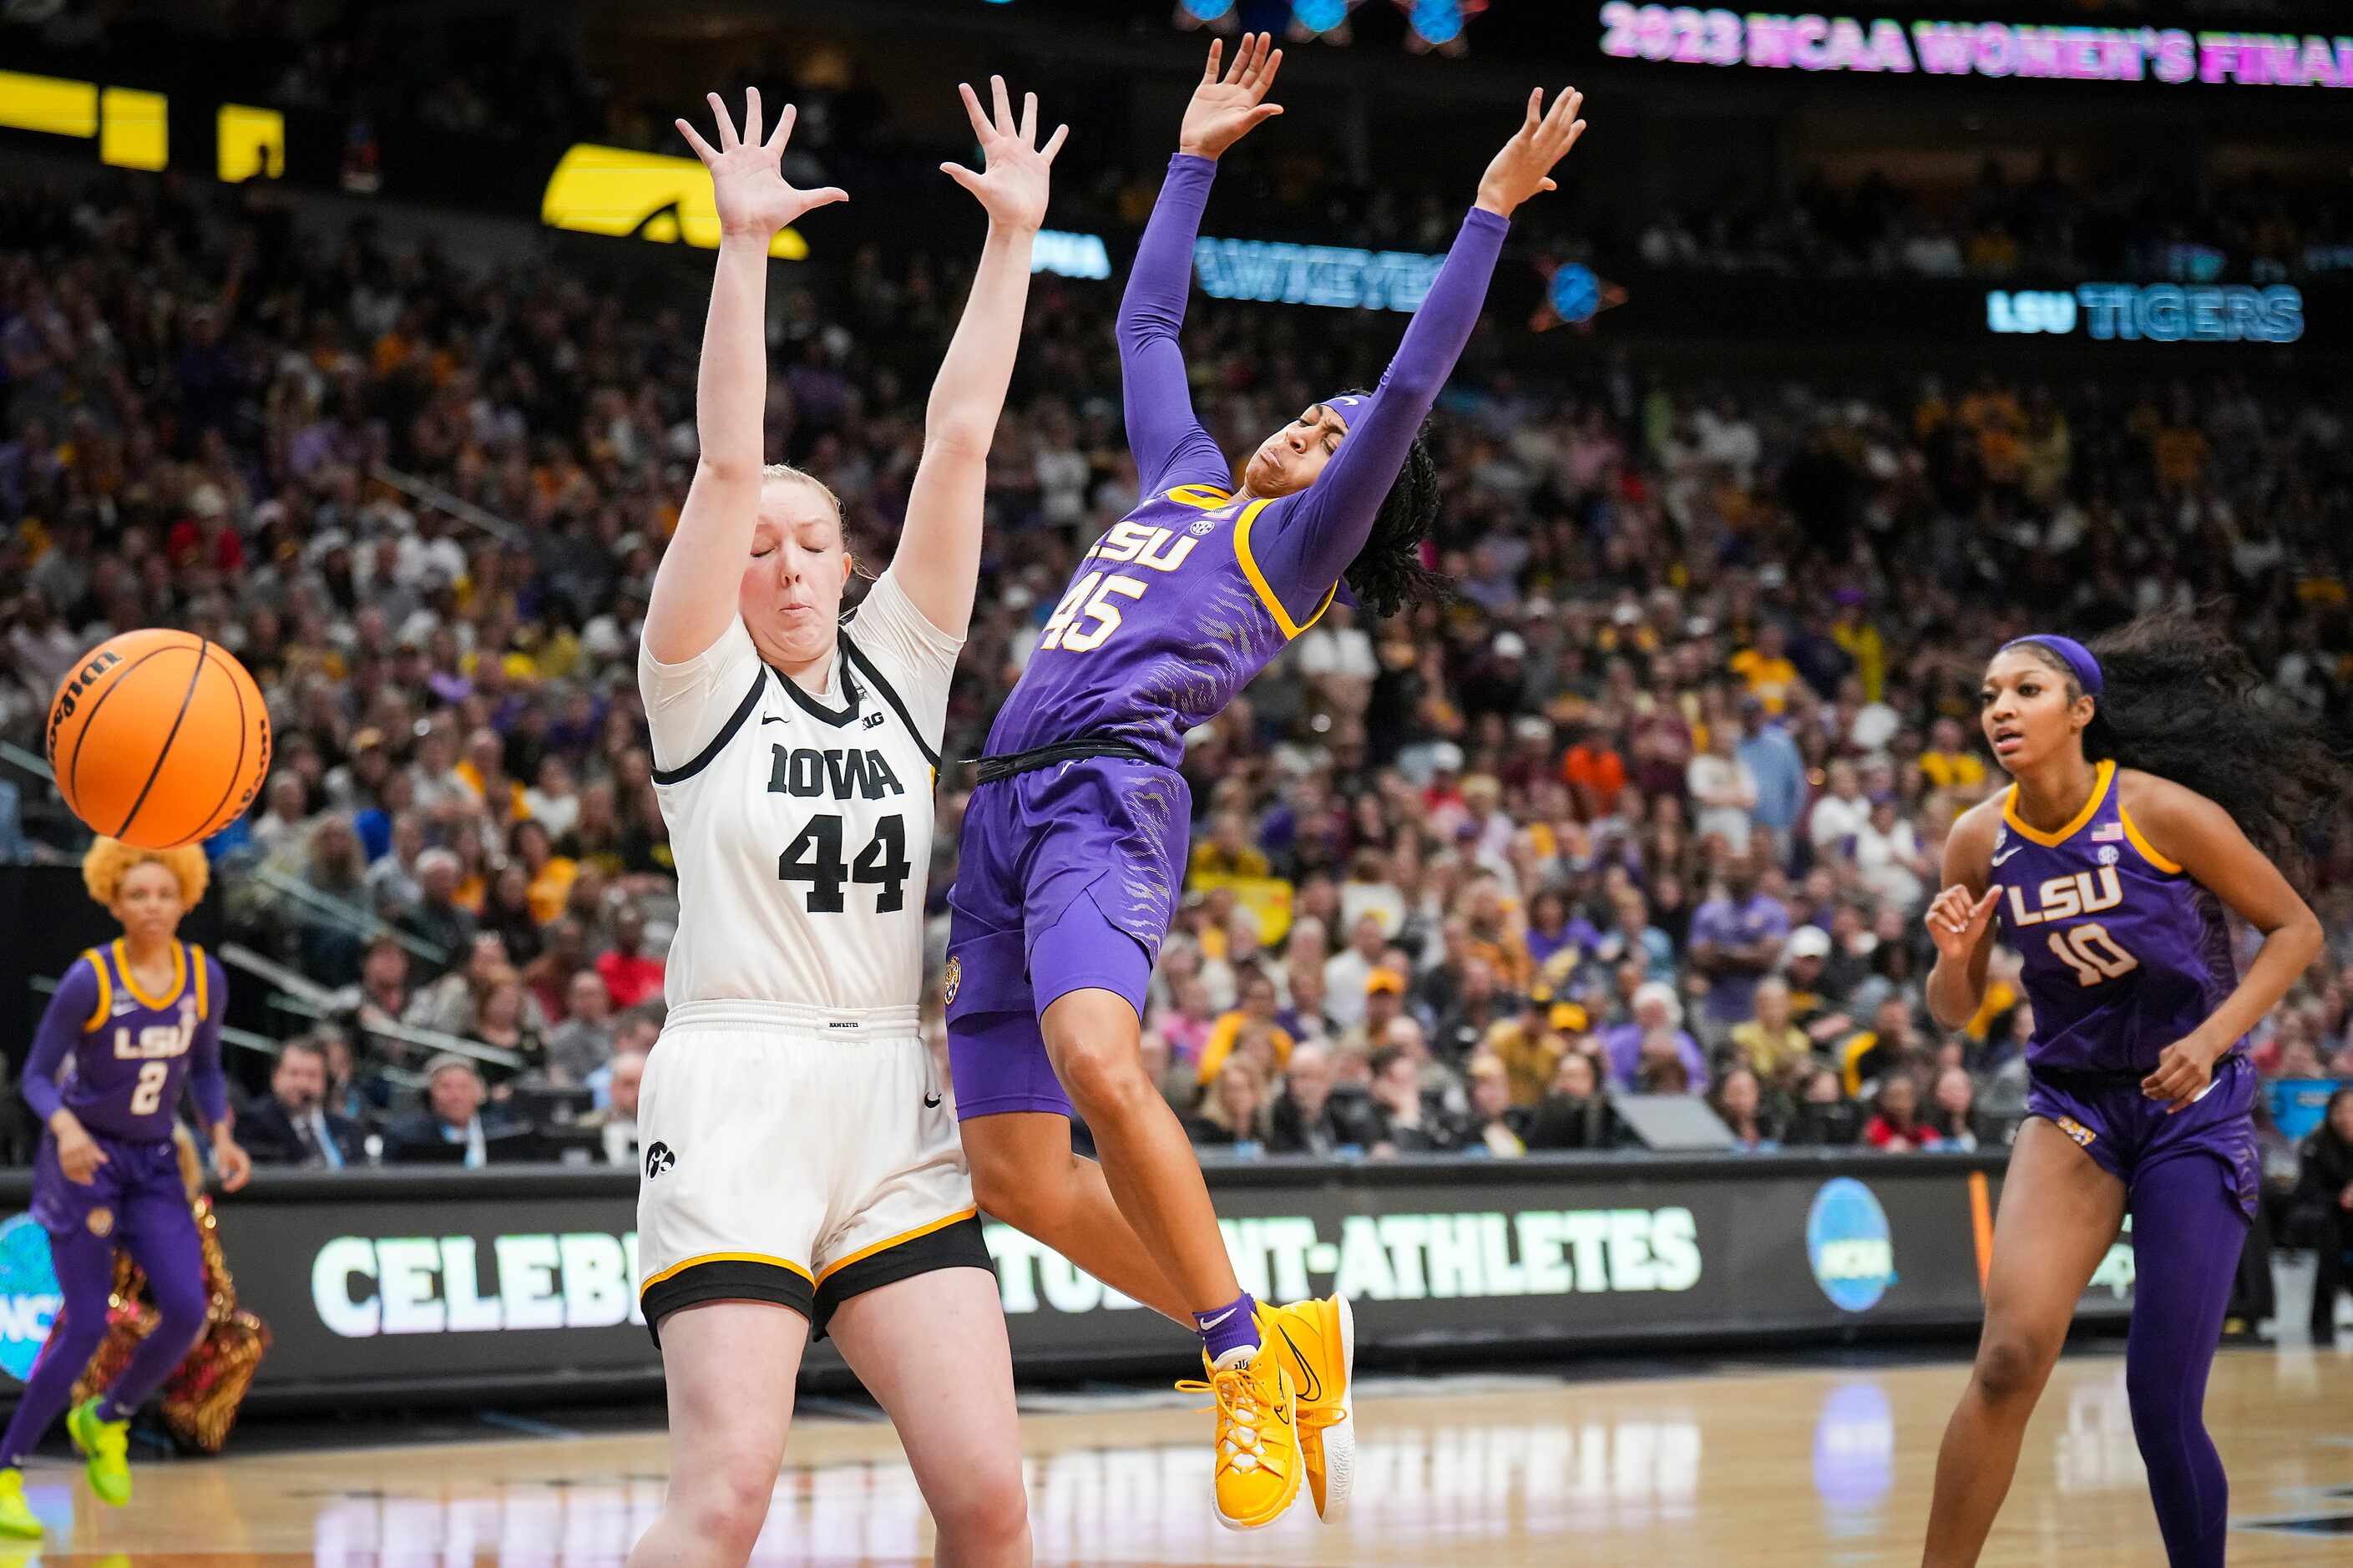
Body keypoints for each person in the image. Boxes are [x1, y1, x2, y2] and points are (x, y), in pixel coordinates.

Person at [940, 33, 1586, 1530]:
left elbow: (1415, 377)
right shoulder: (1182, 477)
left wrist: (1486, 210)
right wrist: (1191, 159)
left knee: (1102, 1061)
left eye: (1340, 436)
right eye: (1315, 410)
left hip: (1109, 794)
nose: (1317, 420)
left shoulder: (1290, 550)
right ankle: (1269, 1330)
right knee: (1018, 1175)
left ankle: (1237, 1360)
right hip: (1002, 805)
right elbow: (1145, 322)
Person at [620, 82, 1058, 1568]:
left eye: (816, 543)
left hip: (886, 1096)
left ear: (851, 563)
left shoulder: (902, 665)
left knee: (990, 1497)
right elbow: (727, 461)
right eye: (762, 550)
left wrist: (1012, 241)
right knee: (726, 1495)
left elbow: (958, 439)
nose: (790, 565)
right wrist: (741, 244)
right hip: (734, 1088)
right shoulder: (694, 682)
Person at [1915, 613, 2345, 1568]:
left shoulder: (2159, 810)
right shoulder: (1976, 838)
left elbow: (2295, 931)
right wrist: (1951, 963)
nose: (1999, 709)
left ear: (2080, 710)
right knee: (2007, 1360)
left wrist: (2210, 1039)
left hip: (2190, 1107)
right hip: (2074, 1106)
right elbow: (1953, 1010)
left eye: (2023, 691)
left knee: (2158, 1401)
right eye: (1987, 696)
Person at [0, 838, 253, 1537]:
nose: (151, 905)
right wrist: (65, 1128)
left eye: (163, 894)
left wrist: (223, 1134)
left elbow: (204, 1069)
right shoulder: (92, 978)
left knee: (186, 1312)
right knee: (84, 1325)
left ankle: (106, 1416)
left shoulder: (205, 978)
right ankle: (6, 1471)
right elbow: (36, 1076)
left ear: (185, 899)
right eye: (137, 894)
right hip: (84, 1162)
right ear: (113, 900)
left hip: (153, 1163)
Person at [238, 1038, 367, 1168]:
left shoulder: (350, 1129)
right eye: (294, 1074)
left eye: (312, 1075)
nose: (303, 1084)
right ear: (275, 1076)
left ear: (325, 1081)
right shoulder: (255, 1122)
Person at [2290, 1084, 2353, 1347]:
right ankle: (2325, 1314)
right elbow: (2305, 1192)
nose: (2347, 1117)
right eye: (2341, 1111)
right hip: (2322, 1213)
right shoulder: (2315, 1144)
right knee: (2329, 1229)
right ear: (2330, 1114)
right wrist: (2340, 1198)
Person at [383, 1055, 521, 1166]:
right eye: (445, 1087)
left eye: (464, 1087)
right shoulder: (404, 1136)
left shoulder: (505, 1131)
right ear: (430, 1093)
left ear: (479, 1093)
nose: (456, 1096)